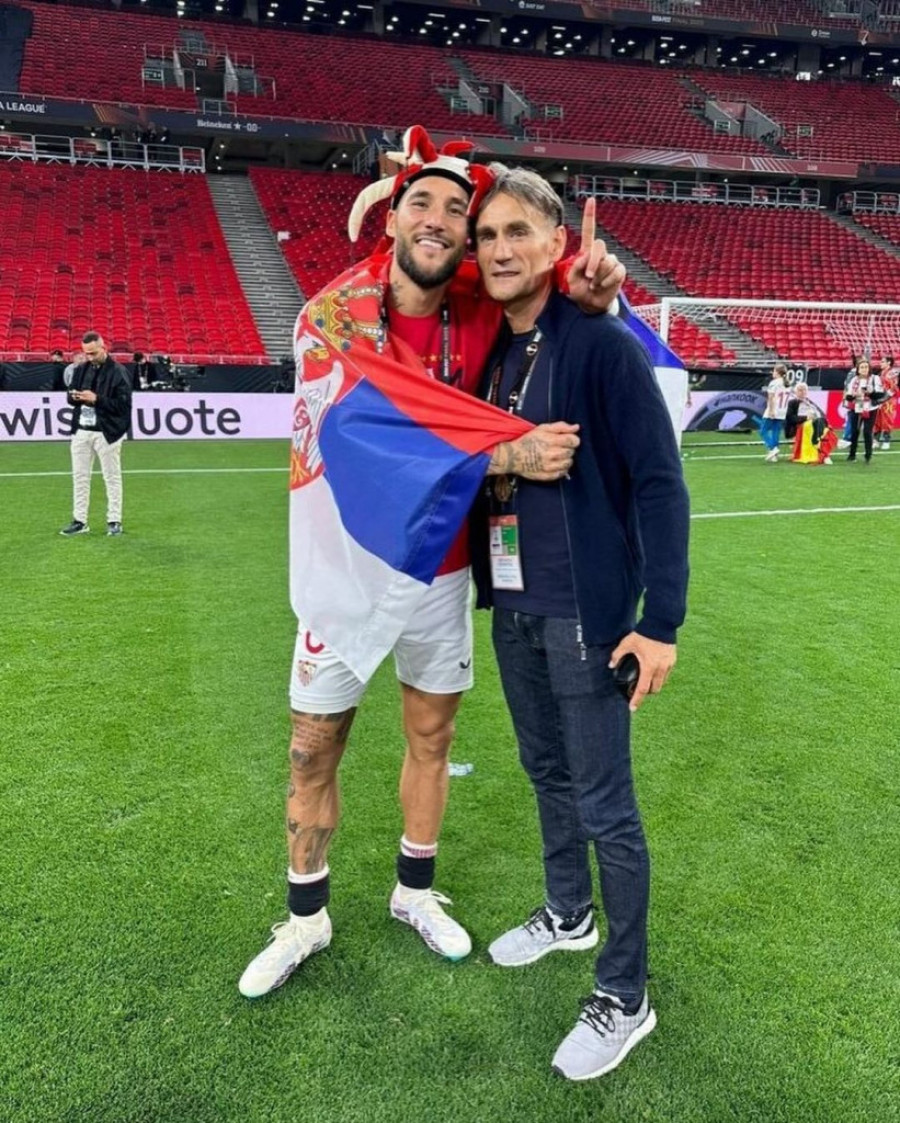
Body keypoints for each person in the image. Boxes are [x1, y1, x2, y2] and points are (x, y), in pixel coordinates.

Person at [237, 127, 625, 1000]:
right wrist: (503, 454)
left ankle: (414, 891)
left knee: (432, 737)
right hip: (348, 565)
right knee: (311, 750)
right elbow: (361, 440)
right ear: (392, 217)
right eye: (423, 201)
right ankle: (305, 916)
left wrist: (594, 287)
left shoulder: (478, 305)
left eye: (458, 209)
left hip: (443, 569)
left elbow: (548, 285)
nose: (440, 219)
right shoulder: (332, 316)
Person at [469, 165, 689, 1081]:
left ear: (557, 244)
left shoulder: (600, 344)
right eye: (488, 235)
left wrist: (661, 621)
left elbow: (662, 481)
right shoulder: (492, 354)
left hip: (585, 617)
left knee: (607, 806)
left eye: (518, 231)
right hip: (513, 607)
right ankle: (568, 913)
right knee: (546, 772)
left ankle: (625, 994)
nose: (500, 249)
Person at [59, 331, 132, 537]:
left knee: (112, 477)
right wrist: (75, 397)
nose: (89, 357)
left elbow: (123, 405)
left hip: (107, 432)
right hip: (81, 430)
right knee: (79, 477)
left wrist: (96, 399)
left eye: (93, 353)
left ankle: (114, 520)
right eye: (86, 353)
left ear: (103, 348)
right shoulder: (80, 369)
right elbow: (70, 396)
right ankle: (80, 520)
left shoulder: (118, 372)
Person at [844, 357, 885, 464]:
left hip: (870, 408)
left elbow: (880, 394)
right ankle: (852, 454)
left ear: (869, 368)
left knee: (867, 431)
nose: (864, 369)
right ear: (858, 369)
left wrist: (870, 393)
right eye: (862, 367)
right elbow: (848, 397)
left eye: (866, 367)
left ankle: (868, 455)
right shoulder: (854, 379)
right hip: (856, 407)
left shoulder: (875, 378)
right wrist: (853, 395)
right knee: (854, 431)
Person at [784, 383, 837, 465]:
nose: (803, 392)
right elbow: (790, 417)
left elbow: (821, 413)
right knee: (820, 426)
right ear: (796, 392)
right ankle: (826, 453)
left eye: (804, 390)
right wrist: (806, 417)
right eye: (800, 390)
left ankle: (821, 447)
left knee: (823, 426)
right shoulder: (793, 402)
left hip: (815, 422)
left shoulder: (809, 402)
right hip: (801, 424)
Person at [759, 362, 790, 462]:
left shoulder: (774, 383)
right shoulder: (787, 383)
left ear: (777, 372)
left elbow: (771, 398)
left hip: (774, 410)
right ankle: (774, 456)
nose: (772, 372)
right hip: (782, 411)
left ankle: (772, 448)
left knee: (763, 431)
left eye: (774, 370)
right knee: (775, 432)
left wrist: (771, 410)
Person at [874, 356, 897, 451]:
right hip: (880, 400)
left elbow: (893, 388)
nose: (880, 363)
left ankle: (886, 441)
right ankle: (876, 441)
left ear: (889, 363)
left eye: (883, 361)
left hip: (889, 401)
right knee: (877, 421)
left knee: (887, 421)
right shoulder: (881, 373)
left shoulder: (892, 373)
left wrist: (884, 399)